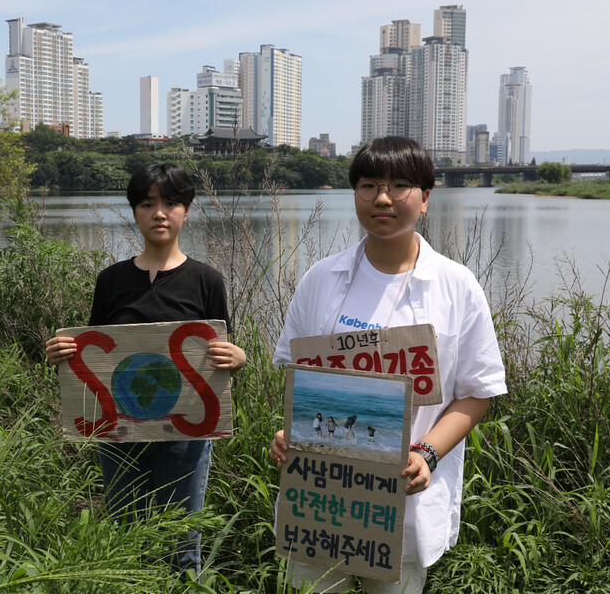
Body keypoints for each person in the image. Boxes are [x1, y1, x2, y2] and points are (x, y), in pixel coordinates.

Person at [267, 137, 507, 594]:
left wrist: (428, 453)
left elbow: (477, 392)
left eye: (400, 185)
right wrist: (291, 435)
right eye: (368, 185)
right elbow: (300, 379)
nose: (382, 197)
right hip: (319, 501)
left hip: (401, 503)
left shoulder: (457, 286)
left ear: (425, 198)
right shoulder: (319, 279)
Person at [45, 162, 247, 575]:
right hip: (120, 433)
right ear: (134, 212)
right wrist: (64, 352)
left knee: (182, 539)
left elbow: (219, 356)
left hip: (187, 434)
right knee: (126, 534)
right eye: (147, 203)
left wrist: (238, 358)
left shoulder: (207, 281)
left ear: (186, 211)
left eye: (171, 203)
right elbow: (97, 355)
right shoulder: (111, 280)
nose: (160, 213)